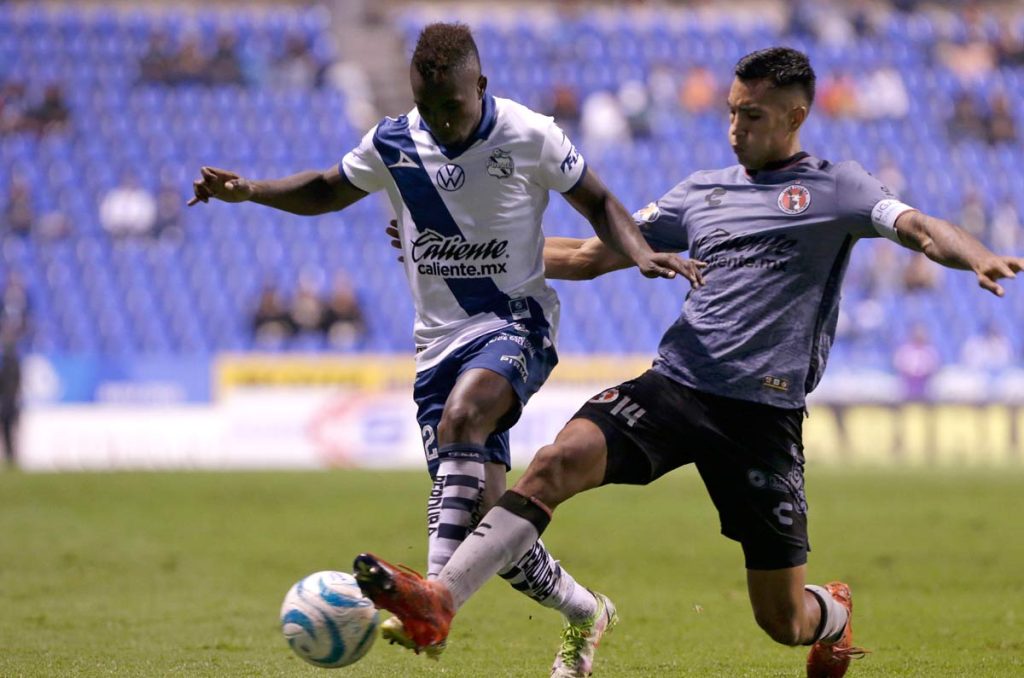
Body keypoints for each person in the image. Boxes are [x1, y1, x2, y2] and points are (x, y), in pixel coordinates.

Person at [352, 47, 1024, 678]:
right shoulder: (700, 194)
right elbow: (590, 257)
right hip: (675, 387)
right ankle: (441, 599)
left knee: (783, 620)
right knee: (555, 463)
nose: (735, 127)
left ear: (796, 117)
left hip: (762, 418)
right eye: (730, 110)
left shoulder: (838, 188)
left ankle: (835, 612)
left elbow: (918, 226)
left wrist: (974, 255)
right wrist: (457, 243)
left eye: (752, 115)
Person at [189, 22, 694, 673]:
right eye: (428, 108)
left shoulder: (528, 134)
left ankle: (430, 599)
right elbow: (325, 188)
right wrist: (250, 192)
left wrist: (640, 251)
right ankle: (582, 610)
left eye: (452, 108)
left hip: (517, 322)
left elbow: (598, 201)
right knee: (488, 524)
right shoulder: (395, 142)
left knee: (465, 417)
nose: (442, 123)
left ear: (480, 85)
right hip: (436, 348)